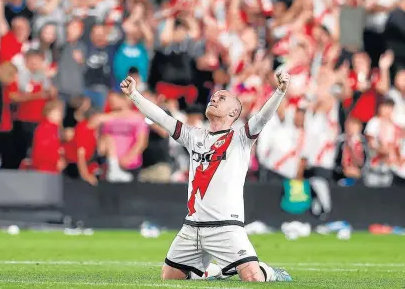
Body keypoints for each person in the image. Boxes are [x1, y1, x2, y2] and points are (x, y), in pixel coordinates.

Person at [120, 72, 292, 282]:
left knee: (253, 278)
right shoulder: (194, 136)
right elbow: (162, 119)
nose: (214, 99)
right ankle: (214, 271)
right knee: (170, 277)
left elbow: (263, 117)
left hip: (226, 227)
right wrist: (134, 94)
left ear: (234, 111)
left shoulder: (241, 138)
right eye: (214, 97)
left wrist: (279, 91)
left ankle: (270, 272)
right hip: (192, 227)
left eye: (222, 98)